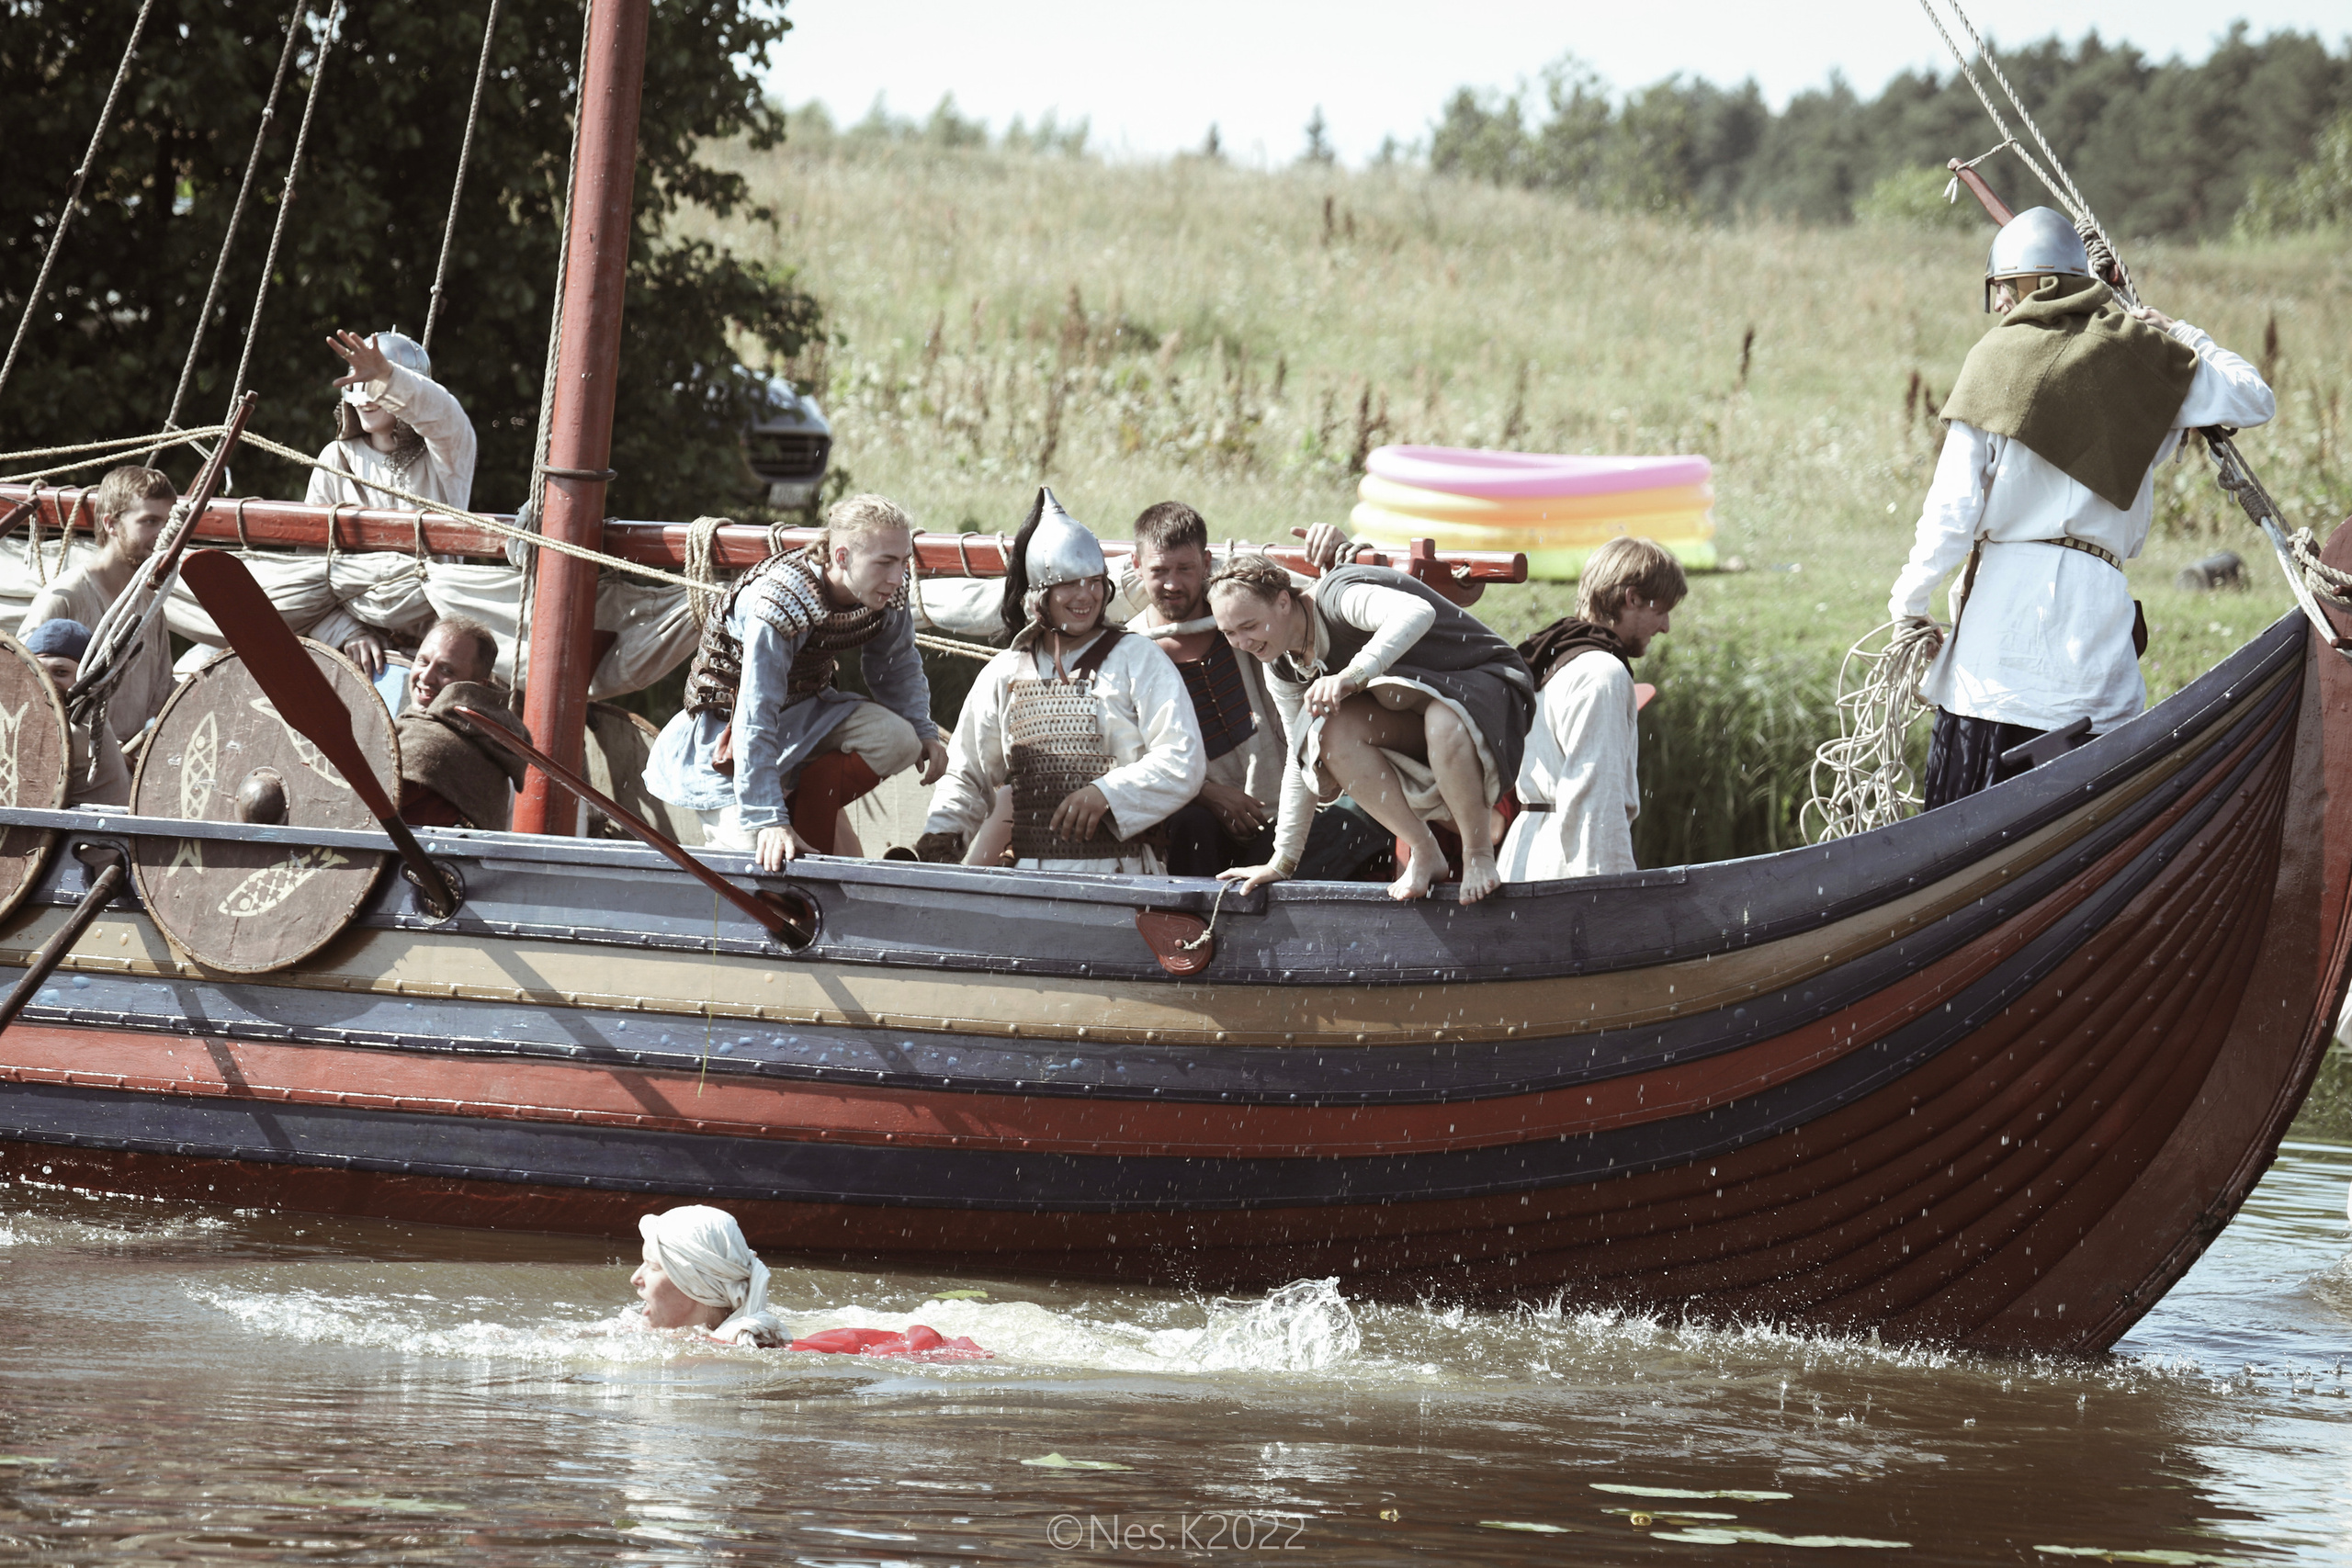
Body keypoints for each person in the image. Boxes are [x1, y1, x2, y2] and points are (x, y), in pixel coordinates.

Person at [1889, 207, 2276, 809]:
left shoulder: (1996, 358)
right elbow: (2253, 396)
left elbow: (1951, 513)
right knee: (2086, 832)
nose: (1998, 306)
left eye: (2004, 288)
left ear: (2037, 285)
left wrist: (1909, 607)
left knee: (1957, 848)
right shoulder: (2143, 357)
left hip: (1998, 654)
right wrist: (2180, 334)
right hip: (2095, 643)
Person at [1209, 555, 1533, 905]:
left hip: (1487, 685)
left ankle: (1478, 854)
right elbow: (1297, 758)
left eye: (1250, 626)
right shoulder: (1282, 666)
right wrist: (1282, 860)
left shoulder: (1336, 598)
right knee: (1326, 736)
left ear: (1283, 601)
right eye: (1229, 633)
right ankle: (1425, 849)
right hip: (1413, 713)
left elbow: (1416, 611)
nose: (1242, 642)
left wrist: (1352, 674)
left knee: (1443, 719)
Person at [645, 493, 947, 868]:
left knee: (901, 740)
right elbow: (756, 712)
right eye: (885, 562)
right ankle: (778, 811)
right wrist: (767, 817)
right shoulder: (780, 602)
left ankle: (808, 811)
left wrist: (923, 729)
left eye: (903, 562)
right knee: (753, 862)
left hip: (809, 715)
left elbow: (897, 664)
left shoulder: (887, 592)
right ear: (842, 557)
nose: (897, 576)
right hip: (728, 738)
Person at [916, 488, 1204, 873]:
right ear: (1040, 595)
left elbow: (1182, 758)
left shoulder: (1138, 658)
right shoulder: (1006, 672)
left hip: (1125, 874)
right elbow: (968, 773)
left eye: (1094, 581)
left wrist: (1108, 794)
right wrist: (941, 840)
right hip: (1032, 875)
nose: (1085, 595)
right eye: (1069, 583)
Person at [1498, 536, 1684, 882]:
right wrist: (1612, 896)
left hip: (1526, 854)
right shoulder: (1603, 674)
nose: (1666, 626)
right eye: (1661, 611)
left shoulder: (1554, 658)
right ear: (1633, 598)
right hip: (1568, 866)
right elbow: (1596, 802)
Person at [304, 329, 480, 679]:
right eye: (359, 386)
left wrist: (387, 376)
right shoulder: (334, 459)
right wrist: (344, 632)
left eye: (376, 388)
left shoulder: (445, 456)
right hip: (352, 650)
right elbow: (306, 569)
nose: (367, 399)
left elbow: (443, 415)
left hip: (433, 653)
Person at [19, 465, 176, 748]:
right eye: (150, 521)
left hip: (130, 771)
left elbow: (161, 696)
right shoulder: (63, 596)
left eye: (166, 523)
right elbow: (21, 690)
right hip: (72, 766)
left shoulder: (152, 606)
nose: (162, 535)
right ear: (110, 524)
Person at [631, 1205, 786, 1346]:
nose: (635, 1279)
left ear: (697, 1284)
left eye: (653, 1266)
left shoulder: (722, 1362)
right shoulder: (635, 1333)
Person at [20, 619, 129, 807]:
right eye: (37, 671)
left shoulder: (72, 733)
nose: (46, 683)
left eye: (60, 672)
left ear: (87, 678)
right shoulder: (86, 724)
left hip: (87, 835)